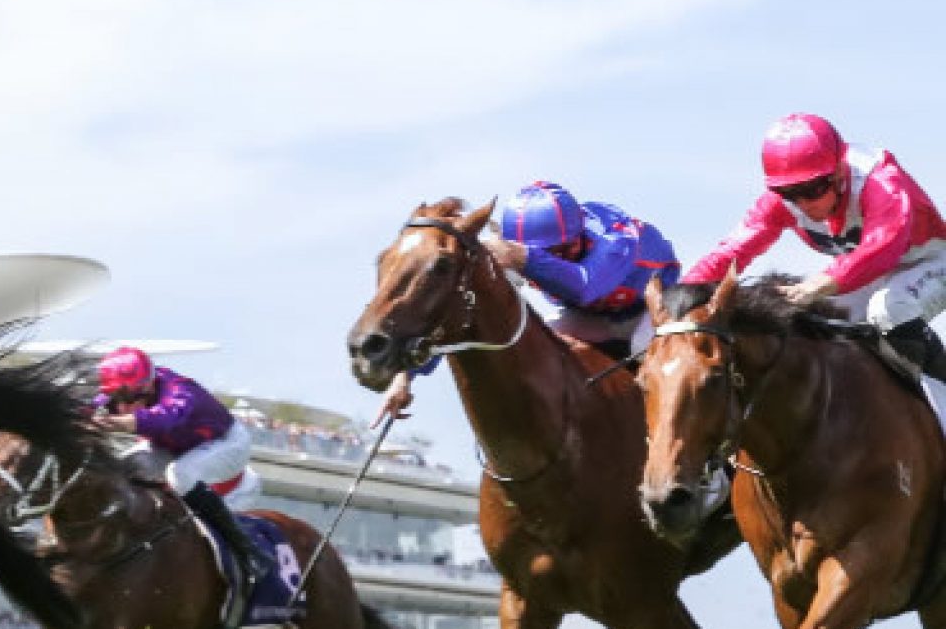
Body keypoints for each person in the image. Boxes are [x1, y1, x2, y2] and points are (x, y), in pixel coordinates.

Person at [376, 181, 680, 422]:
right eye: (544, 253)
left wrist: (524, 257)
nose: (551, 259)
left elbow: (585, 286)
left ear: (578, 235)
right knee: (528, 345)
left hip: (650, 313)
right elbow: (464, 311)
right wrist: (406, 377)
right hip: (588, 318)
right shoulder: (526, 252)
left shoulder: (617, 237)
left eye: (560, 250)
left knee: (648, 352)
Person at [685, 113, 946, 382]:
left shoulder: (880, 179)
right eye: (789, 193)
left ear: (838, 173)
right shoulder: (781, 203)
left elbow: (883, 247)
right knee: (813, 324)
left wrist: (819, 283)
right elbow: (732, 252)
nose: (803, 204)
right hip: (865, 275)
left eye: (813, 189)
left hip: (931, 262)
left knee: (890, 309)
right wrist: (681, 298)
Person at [92, 346, 271, 629]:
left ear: (146, 386)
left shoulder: (181, 392)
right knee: (122, 467)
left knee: (181, 475)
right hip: (178, 445)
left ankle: (247, 553)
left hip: (226, 444)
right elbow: (92, 410)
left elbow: (163, 419)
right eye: (114, 396)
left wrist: (110, 424)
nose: (120, 403)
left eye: (126, 396)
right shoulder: (124, 391)